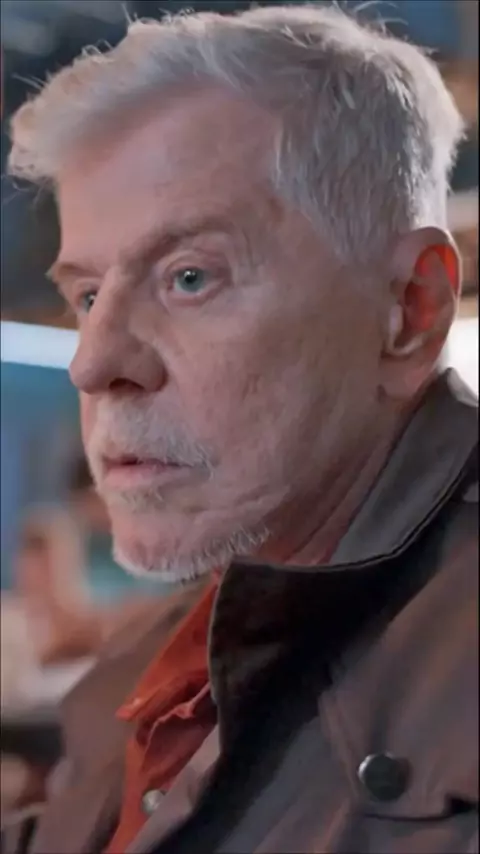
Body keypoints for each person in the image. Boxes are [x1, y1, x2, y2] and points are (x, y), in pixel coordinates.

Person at [3, 5, 478, 853]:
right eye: (87, 295)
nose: (93, 363)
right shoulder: (160, 656)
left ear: (410, 310)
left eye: (190, 277)